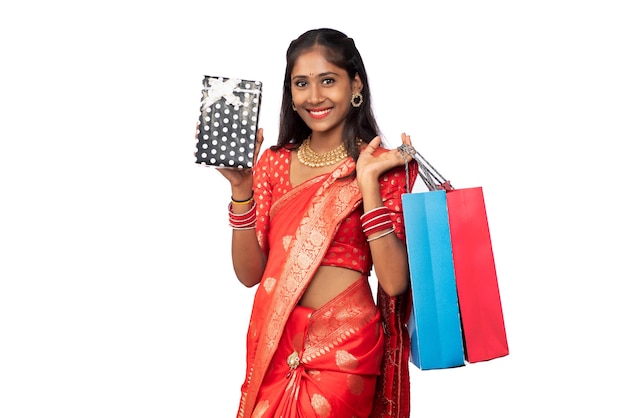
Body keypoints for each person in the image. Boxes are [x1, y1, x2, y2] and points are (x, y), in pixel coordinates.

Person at [217, 28, 418, 418]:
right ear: (290, 94)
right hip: (276, 340)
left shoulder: (384, 164)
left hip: (344, 345)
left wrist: (368, 184)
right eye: (301, 84)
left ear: (355, 83)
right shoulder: (272, 162)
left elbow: (394, 282)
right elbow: (249, 274)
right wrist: (242, 188)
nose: (314, 97)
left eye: (328, 80)